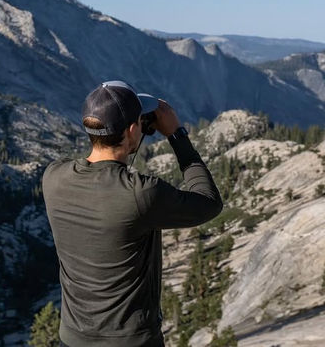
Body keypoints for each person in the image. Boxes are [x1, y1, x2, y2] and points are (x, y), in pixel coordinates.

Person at [42, 80, 223, 347]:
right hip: (131, 341)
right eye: (140, 122)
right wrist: (176, 134)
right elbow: (209, 202)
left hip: (73, 337)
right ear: (130, 131)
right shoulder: (141, 193)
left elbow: (99, 172)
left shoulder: (53, 177)